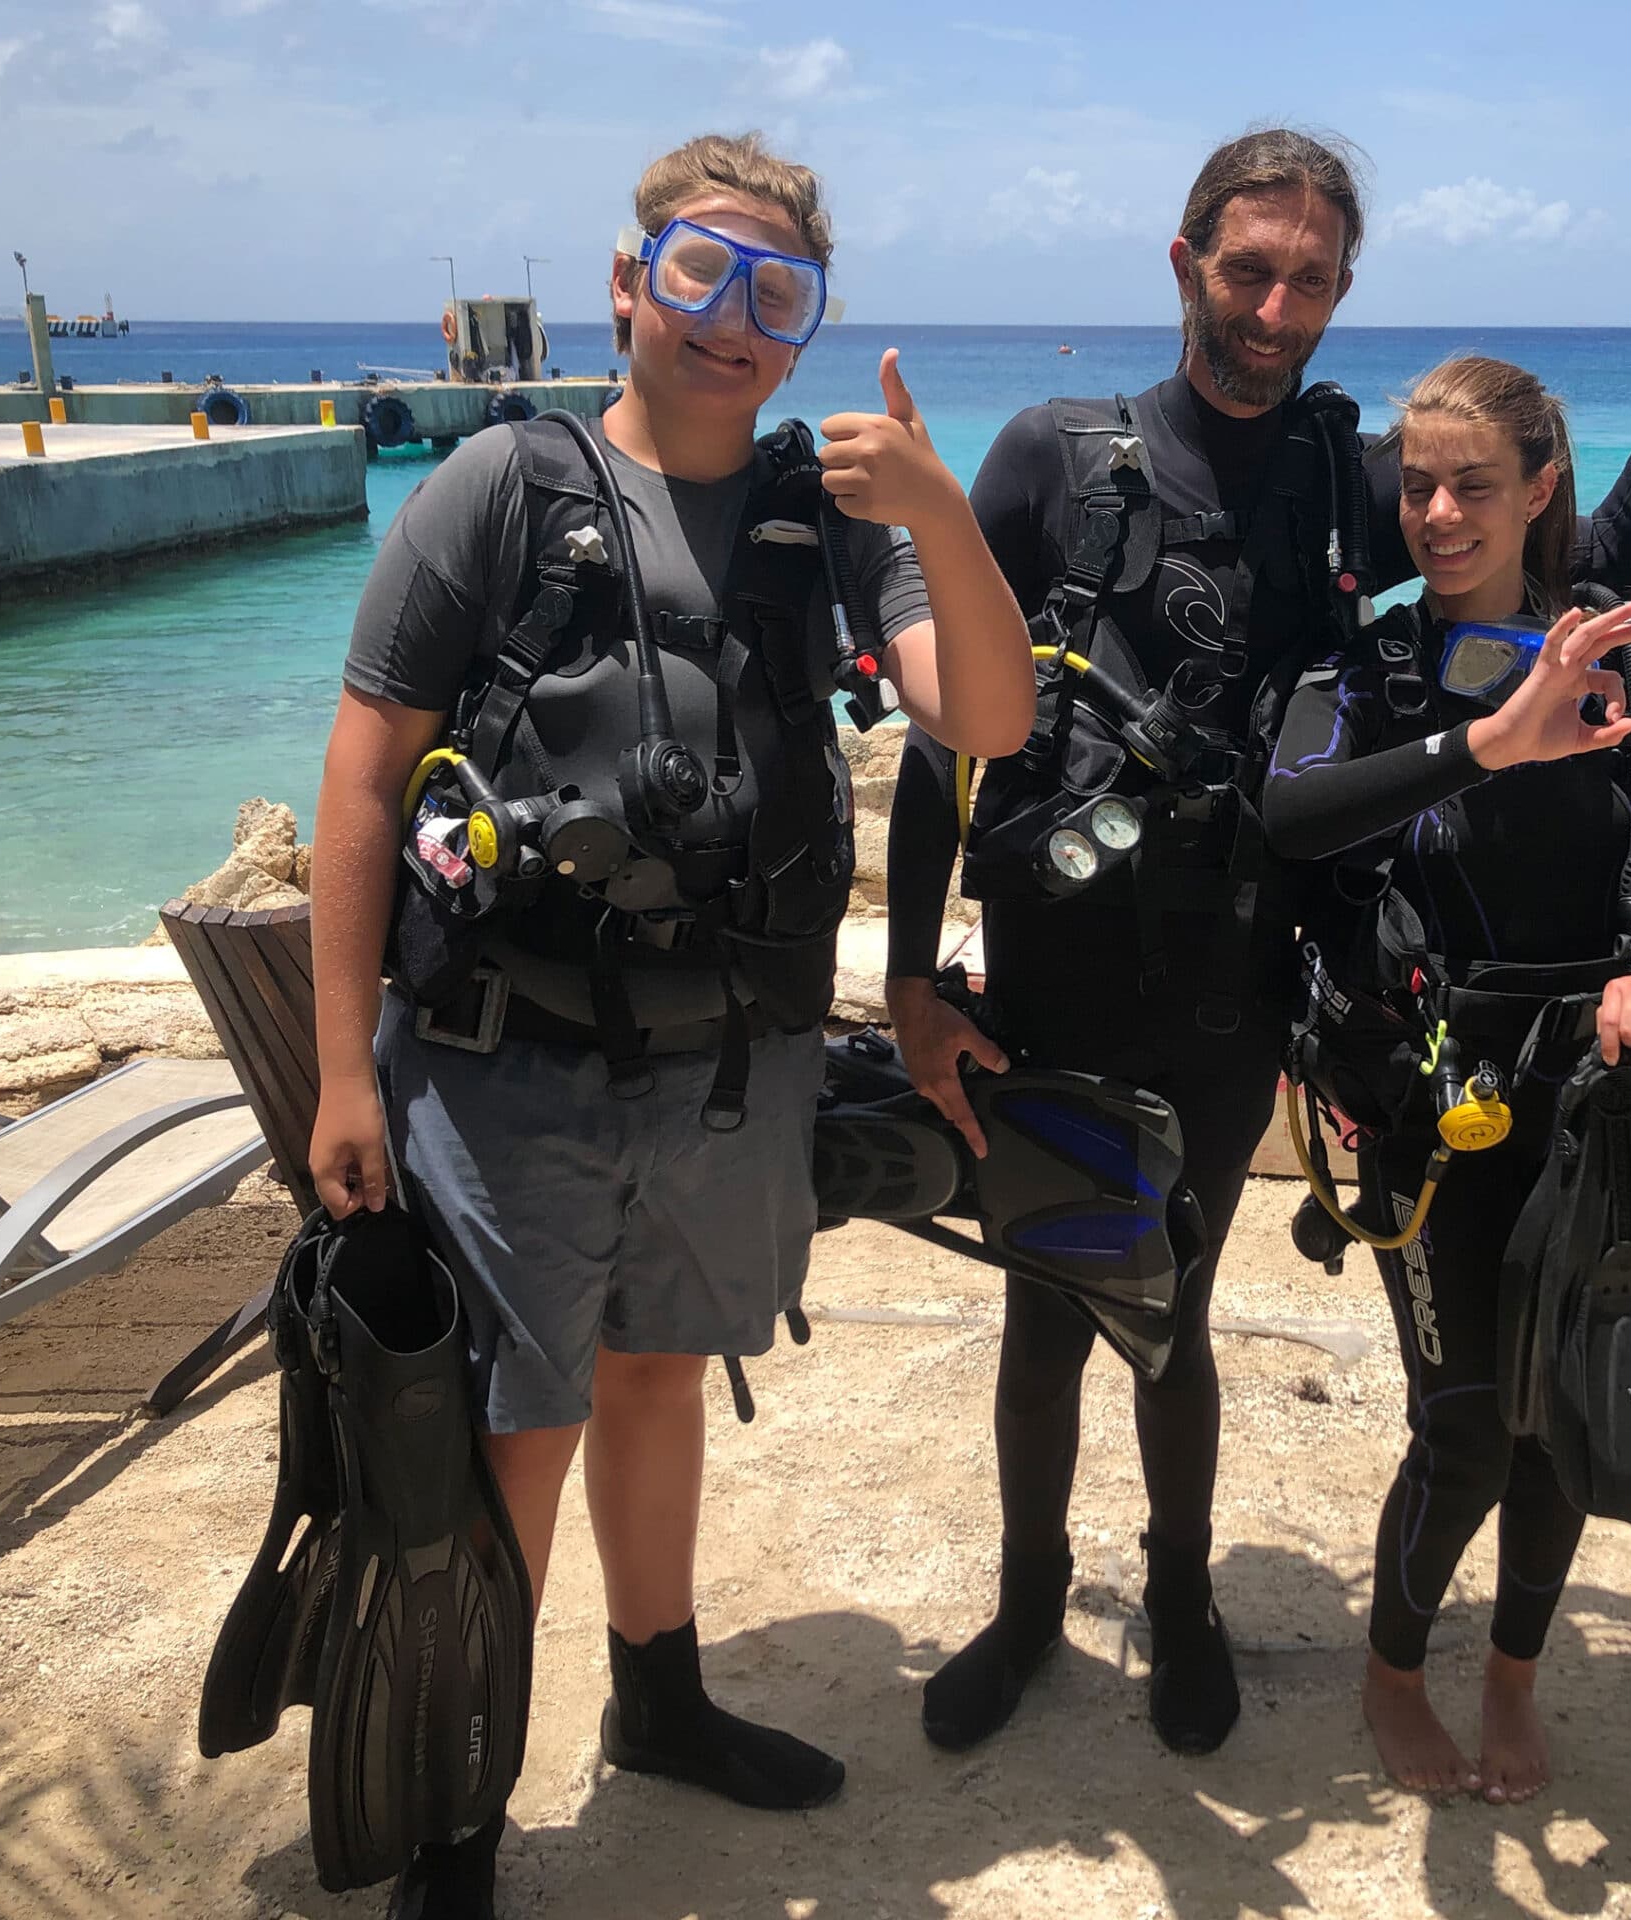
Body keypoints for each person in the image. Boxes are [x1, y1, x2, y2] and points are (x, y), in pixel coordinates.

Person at [886, 119, 1631, 1758]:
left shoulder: (1345, 475)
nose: (1276, 300)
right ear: (1186, 265)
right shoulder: (1052, 454)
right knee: (1045, 1308)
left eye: (1311, 276)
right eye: (1250, 267)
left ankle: (1180, 1601)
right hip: (1053, 959)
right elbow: (949, 732)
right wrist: (908, 972)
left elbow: (1559, 551)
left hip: (1238, 979)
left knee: (1170, 1300)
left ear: (1338, 293)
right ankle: (1033, 1601)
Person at [304, 132, 1032, 1915]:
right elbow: (361, 777)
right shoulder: (499, 488)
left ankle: (663, 1701)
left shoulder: (831, 527)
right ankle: (462, 1813)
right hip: (502, 1063)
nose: (732, 319)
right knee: (514, 1428)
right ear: (628, 284)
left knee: (654, 1380)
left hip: (732, 1076)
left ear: (802, 335)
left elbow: (992, 723)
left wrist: (935, 508)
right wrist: (341, 1066)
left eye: (775, 294)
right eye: (700, 273)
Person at [1261, 354, 1631, 1800]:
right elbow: (1291, 819)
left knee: (1572, 1414)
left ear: (1543, 491)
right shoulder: (1368, 671)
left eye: (1475, 484)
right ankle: (1394, 1671)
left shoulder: (1609, 665)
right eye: (1416, 484)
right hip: (1437, 1103)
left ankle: (1518, 1676)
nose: (1437, 511)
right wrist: (1487, 742)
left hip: (1593, 1106)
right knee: (1469, 1424)